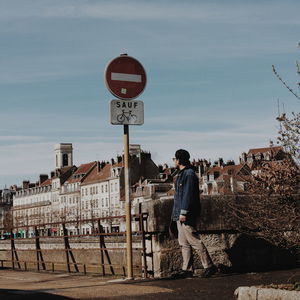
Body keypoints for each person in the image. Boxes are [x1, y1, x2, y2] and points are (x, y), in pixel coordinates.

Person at [171, 149, 217, 278]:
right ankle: (187, 269)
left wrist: (184, 212)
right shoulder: (181, 174)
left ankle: (209, 266)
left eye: (174, 159)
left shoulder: (189, 174)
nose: (174, 161)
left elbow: (188, 195)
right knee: (184, 243)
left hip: (185, 213)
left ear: (179, 160)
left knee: (194, 241)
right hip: (178, 213)